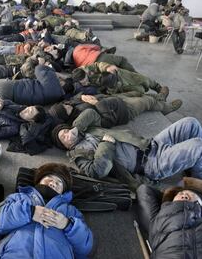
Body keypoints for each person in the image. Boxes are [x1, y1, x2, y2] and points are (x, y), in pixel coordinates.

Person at [51, 117, 202, 185]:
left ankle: (193, 165)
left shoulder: (88, 130)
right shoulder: (78, 154)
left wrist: (78, 125)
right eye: (63, 137)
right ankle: (198, 179)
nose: (67, 135)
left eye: (66, 131)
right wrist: (105, 144)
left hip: (150, 144)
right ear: (64, 146)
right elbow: (98, 171)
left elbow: (91, 112)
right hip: (149, 164)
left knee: (191, 123)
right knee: (198, 146)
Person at [0, 163, 93, 258]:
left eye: (59, 182)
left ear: (63, 191)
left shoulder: (71, 211)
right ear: (39, 181)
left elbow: (85, 247)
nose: (53, 183)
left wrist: (67, 224)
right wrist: (30, 212)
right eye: (49, 178)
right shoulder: (19, 197)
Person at [137, 177, 202, 258]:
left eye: (191, 196)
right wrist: (168, 195)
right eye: (181, 194)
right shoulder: (159, 217)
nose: (184, 196)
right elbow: (144, 190)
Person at [49, 92, 182, 129]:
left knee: (138, 93)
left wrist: (81, 96)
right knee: (146, 102)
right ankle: (167, 108)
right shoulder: (82, 116)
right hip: (123, 112)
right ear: (66, 116)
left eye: (64, 105)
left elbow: (74, 97)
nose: (67, 105)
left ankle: (160, 97)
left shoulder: (71, 105)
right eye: (65, 109)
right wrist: (97, 103)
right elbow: (108, 122)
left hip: (114, 100)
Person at [72, 62, 166, 95]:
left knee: (142, 79)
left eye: (85, 80)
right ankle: (157, 98)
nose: (85, 83)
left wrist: (107, 67)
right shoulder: (80, 87)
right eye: (82, 83)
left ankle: (158, 88)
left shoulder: (86, 70)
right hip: (113, 87)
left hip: (117, 74)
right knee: (140, 90)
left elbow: (98, 65)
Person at [71, 44, 136, 72]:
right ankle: (135, 74)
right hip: (99, 57)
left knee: (115, 72)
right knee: (122, 60)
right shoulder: (78, 47)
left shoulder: (76, 64)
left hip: (95, 68)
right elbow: (96, 47)